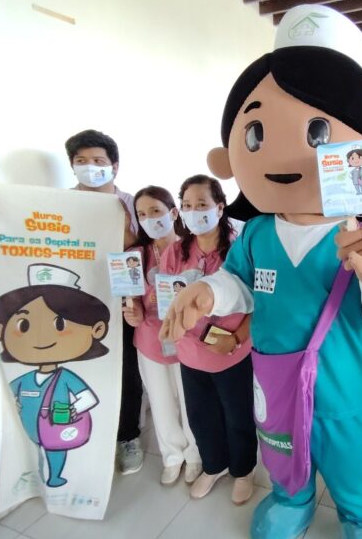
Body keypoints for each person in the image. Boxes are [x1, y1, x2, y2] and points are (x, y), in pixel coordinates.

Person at [161, 4, 362, 539]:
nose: (279, 154)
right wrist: (208, 293)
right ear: (229, 158)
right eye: (255, 133)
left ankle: (361, 519)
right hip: (273, 380)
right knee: (280, 448)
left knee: (350, 455)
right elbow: (239, 284)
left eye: (318, 132)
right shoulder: (258, 235)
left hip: (344, 385)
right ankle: (292, 499)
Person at [160, 175, 256, 504]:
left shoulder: (241, 247)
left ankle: (243, 469)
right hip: (190, 352)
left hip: (232, 351)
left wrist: (238, 338)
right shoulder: (176, 252)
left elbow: (261, 301)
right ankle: (214, 466)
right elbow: (168, 299)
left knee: (238, 414)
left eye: (202, 204)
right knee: (201, 415)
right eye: (187, 205)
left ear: (220, 207)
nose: (193, 212)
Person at [65, 128, 145, 476]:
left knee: (126, 369)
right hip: (76, 299)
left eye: (98, 160)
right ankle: (86, 436)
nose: (90, 167)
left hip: (123, 298)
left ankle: (128, 436)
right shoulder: (61, 204)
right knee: (81, 369)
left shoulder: (132, 203)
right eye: (81, 161)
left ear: (114, 166)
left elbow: (146, 251)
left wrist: (127, 233)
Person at [0, 264, 108, 488]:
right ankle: (34, 474)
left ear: (96, 330)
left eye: (59, 324)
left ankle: (55, 476)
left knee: (55, 449)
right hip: (29, 424)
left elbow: (88, 398)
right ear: (1, 332)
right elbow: (9, 391)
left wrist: (73, 410)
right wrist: (16, 404)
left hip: (57, 425)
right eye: (24, 325)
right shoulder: (25, 379)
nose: (42, 337)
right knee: (31, 448)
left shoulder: (65, 377)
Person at [122, 186, 202, 486]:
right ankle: (172, 456)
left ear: (173, 212)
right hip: (149, 340)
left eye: (155, 211)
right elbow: (131, 300)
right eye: (142, 214)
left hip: (186, 338)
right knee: (160, 400)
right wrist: (134, 313)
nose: (149, 219)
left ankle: (195, 454)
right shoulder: (134, 257)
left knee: (191, 400)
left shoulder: (192, 251)